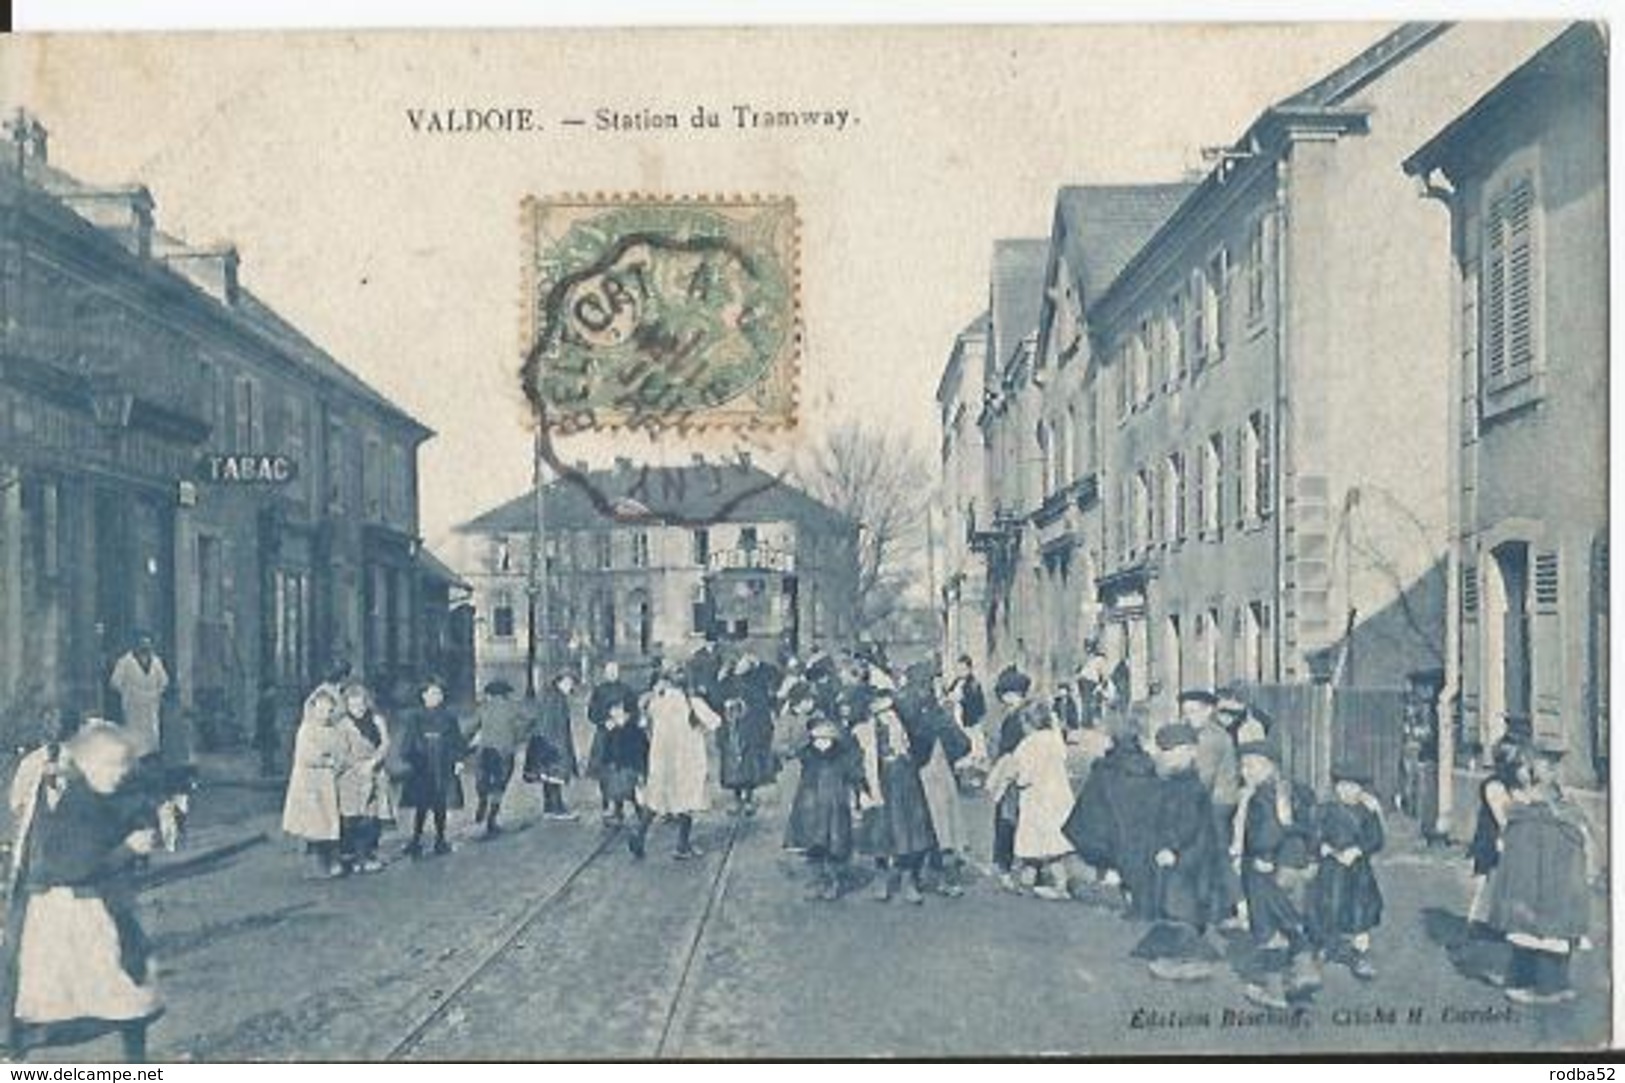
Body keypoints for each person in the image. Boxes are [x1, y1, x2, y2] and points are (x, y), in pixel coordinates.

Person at [3, 723, 164, 1061]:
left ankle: (136, 1060)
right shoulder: (75, 807)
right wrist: (128, 849)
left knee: (130, 988)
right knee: (66, 997)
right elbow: (76, 864)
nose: (119, 774)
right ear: (86, 765)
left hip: (100, 907)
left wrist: (150, 822)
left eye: (123, 765)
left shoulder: (103, 795)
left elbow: (136, 808)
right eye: (110, 766)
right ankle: (19, 1050)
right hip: (67, 911)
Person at [1487, 747, 1597, 1005]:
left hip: (1541, 885)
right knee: (1549, 931)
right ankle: (1548, 982)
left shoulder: (1529, 815)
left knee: (1539, 931)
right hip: (1557, 883)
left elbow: (1510, 839)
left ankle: (1546, 987)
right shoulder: (1565, 811)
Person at [1234, 718, 1322, 1010]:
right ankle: (1305, 970)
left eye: (1252, 766)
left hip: (1265, 871)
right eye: (1243, 766)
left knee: (1268, 929)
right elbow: (1311, 827)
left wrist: (1262, 854)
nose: (1245, 772)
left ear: (1270, 766)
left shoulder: (1261, 796)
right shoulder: (1296, 791)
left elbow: (1266, 833)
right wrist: (1312, 858)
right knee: (1290, 920)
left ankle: (1274, 991)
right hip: (1294, 867)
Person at [1132, 722, 1223, 982]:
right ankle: (1181, 957)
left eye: (1171, 751)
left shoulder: (1189, 787)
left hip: (1187, 856)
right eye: (1163, 750)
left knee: (1182, 907)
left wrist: (1171, 848)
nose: (1165, 756)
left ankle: (1189, 961)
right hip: (1185, 855)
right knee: (1177, 904)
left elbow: (1186, 824)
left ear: (1190, 752)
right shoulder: (1177, 781)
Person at [1063, 711, 1162, 914]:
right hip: (1139, 832)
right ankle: (1136, 892)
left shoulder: (1105, 769)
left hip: (1111, 831)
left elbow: (1089, 805)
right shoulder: (1149, 766)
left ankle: (1113, 880)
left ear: (1112, 740)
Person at [853, 690, 937, 904]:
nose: (885, 716)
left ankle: (909, 880)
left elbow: (923, 746)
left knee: (909, 832)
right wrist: (862, 788)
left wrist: (906, 744)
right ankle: (882, 879)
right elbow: (856, 763)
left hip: (905, 783)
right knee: (880, 832)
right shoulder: (863, 733)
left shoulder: (906, 729)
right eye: (879, 711)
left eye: (889, 710)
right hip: (879, 784)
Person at [986, 701, 1075, 900]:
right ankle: (1058, 883)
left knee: (1032, 845)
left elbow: (1024, 775)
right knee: (1054, 849)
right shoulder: (1054, 739)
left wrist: (1008, 778)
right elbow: (1062, 757)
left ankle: (1032, 882)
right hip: (1058, 798)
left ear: (1028, 724)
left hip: (1037, 800)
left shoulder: (1027, 746)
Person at [632, 664, 720, 860]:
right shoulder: (693, 703)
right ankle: (682, 845)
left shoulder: (657, 702)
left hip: (661, 758)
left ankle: (639, 835)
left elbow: (643, 723)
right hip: (687, 759)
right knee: (686, 800)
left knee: (656, 799)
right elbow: (715, 722)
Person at [1308, 768, 1386, 981]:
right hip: (1331, 869)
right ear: (1336, 787)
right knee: (1328, 905)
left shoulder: (1366, 812)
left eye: (1353, 786)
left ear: (1361, 789)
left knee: (1360, 909)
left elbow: (1376, 839)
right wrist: (1323, 847)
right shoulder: (1326, 810)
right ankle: (1325, 946)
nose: (1347, 791)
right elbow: (1314, 836)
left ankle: (1360, 955)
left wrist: (1358, 850)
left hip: (1358, 871)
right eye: (1342, 785)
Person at [783, 713, 864, 901]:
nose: (822, 743)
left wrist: (859, 795)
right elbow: (794, 752)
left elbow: (854, 773)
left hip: (834, 807)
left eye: (826, 738)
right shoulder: (808, 754)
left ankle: (834, 882)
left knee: (835, 845)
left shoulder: (842, 756)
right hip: (810, 807)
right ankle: (820, 881)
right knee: (813, 846)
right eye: (818, 738)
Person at [1182, 689, 1245, 930]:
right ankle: (1219, 908)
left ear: (1209, 710)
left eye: (1194, 711)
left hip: (1217, 804)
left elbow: (1203, 780)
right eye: (1186, 712)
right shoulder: (1208, 733)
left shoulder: (1210, 738)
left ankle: (1240, 907)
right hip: (1216, 801)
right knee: (1212, 853)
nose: (1189, 716)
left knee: (1218, 854)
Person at [908, 674, 973, 897]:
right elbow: (965, 744)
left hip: (919, 780)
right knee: (945, 830)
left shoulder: (911, 719)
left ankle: (915, 879)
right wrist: (950, 757)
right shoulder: (940, 717)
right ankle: (947, 880)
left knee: (921, 830)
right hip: (942, 780)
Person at [395, 678, 468, 858]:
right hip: (423, 764)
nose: (435, 697)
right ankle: (416, 839)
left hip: (442, 763)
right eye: (431, 693)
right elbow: (408, 741)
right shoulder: (415, 717)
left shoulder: (449, 717)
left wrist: (459, 760)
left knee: (440, 803)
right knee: (421, 803)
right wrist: (410, 757)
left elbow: (457, 740)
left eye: (438, 693)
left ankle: (440, 839)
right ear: (423, 695)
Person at [281, 687, 346, 878]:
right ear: (313, 709)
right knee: (313, 824)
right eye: (320, 709)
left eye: (328, 710)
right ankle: (315, 865)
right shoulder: (306, 730)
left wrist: (337, 761)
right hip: (309, 782)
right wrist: (327, 759)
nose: (324, 714)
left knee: (327, 822)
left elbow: (340, 750)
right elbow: (306, 756)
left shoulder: (332, 730)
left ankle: (331, 859)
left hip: (327, 781)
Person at [335, 682, 393, 874]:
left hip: (374, 772)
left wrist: (374, 762)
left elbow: (385, 744)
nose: (358, 709)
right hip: (351, 775)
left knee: (372, 816)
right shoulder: (343, 724)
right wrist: (357, 766)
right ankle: (349, 855)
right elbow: (341, 752)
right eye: (353, 705)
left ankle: (367, 854)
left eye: (361, 705)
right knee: (351, 817)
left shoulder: (377, 720)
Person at [468, 680, 533, 838]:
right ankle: (491, 819)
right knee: (500, 784)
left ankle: (482, 801)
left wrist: (465, 744)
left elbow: (471, 727)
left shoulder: (483, 707)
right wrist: (518, 736)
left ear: (489, 694)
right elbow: (530, 720)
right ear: (506, 694)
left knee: (483, 780)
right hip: (505, 752)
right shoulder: (513, 707)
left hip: (485, 750)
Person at [718, 653, 778, 817]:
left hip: (749, 730)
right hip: (731, 730)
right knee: (732, 767)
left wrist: (759, 662)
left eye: (746, 664)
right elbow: (718, 697)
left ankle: (748, 800)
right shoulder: (727, 681)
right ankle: (737, 800)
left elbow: (763, 701)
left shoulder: (756, 681)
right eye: (740, 664)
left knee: (749, 766)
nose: (740, 667)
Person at [988, 667, 1032, 887]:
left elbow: (1010, 748)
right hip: (1017, 770)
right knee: (1013, 817)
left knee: (1008, 818)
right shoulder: (1022, 714)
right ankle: (1011, 861)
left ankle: (1006, 863)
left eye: (1007, 695)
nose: (1004, 699)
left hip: (1012, 772)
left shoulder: (1018, 718)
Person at [586, 662, 638, 821]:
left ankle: (619, 806)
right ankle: (605, 803)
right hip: (604, 736)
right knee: (604, 771)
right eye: (609, 671)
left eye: (615, 671)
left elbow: (634, 710)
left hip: (622, 736)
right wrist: (604, 722)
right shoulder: (599, 691)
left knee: (621, 771)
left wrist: (626, 718)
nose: (612, 674)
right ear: (604, 673)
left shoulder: (627, 690)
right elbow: (591, 713)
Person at [526, 671, 580, 821]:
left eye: (572, 683)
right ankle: (557, 808)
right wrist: (558, 746)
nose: (571, 686)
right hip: (554, 743)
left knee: (548, 776)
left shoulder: (552, 696)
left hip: (547, 743)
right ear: (560, 682)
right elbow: (553, 724)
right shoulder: (557, 699)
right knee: (555, 775)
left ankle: (549, 807)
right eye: (568, 683)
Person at [108, 632, 170, 760]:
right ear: (135, 645)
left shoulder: (156, 661)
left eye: (147, 645)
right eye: (142, 644)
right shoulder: (125, 661)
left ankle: (152, 758)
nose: (144, 648)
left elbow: (164, 681)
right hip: (133, 705)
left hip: (151, 704)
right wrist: (128, 693)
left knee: (152, 732)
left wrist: (157, 693)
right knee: (135, 733)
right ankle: (135, 759)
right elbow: (115, 682)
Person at [597, 697, 650, 829]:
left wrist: (642, 769)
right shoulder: (610, 730)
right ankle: (617, 812)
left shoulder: (634, 730)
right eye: (612, 710)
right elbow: (606, 750)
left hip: (630, 766)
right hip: (616, 766)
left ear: (627, 713)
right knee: (614, 788)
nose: (614, 713)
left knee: (631, 792)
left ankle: (639, 814)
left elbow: (642, 750)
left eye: (618, 710)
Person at [946, 654, 987, 732]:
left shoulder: (974, 684)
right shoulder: (957, 681)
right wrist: (949, 697)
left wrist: (961, 699)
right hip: (957, 715)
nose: (960, 672)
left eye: (963, 669)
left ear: (969, 669)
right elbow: (950, 693)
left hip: (970, 721)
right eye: (958, 669)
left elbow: (976, 706)